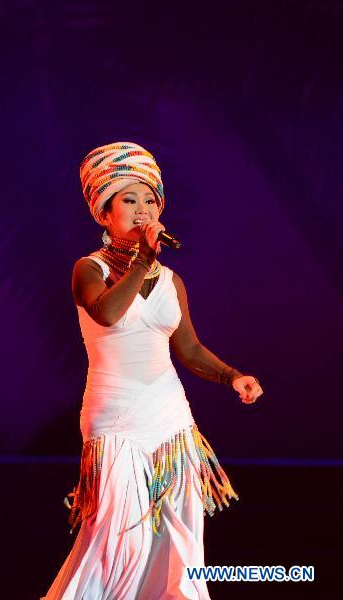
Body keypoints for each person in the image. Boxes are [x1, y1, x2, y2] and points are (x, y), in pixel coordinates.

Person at [44, 142, 264, 599]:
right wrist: (143, 258)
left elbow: (189, 348)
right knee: (120, 541)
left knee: (179, 539)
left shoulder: (170, 281)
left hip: (170, 416)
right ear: (104, 213)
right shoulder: (89, 269)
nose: (143, 209)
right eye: (129, 200)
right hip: (115, 417)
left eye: (150, 200)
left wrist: (232, 376)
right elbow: (107, 314)